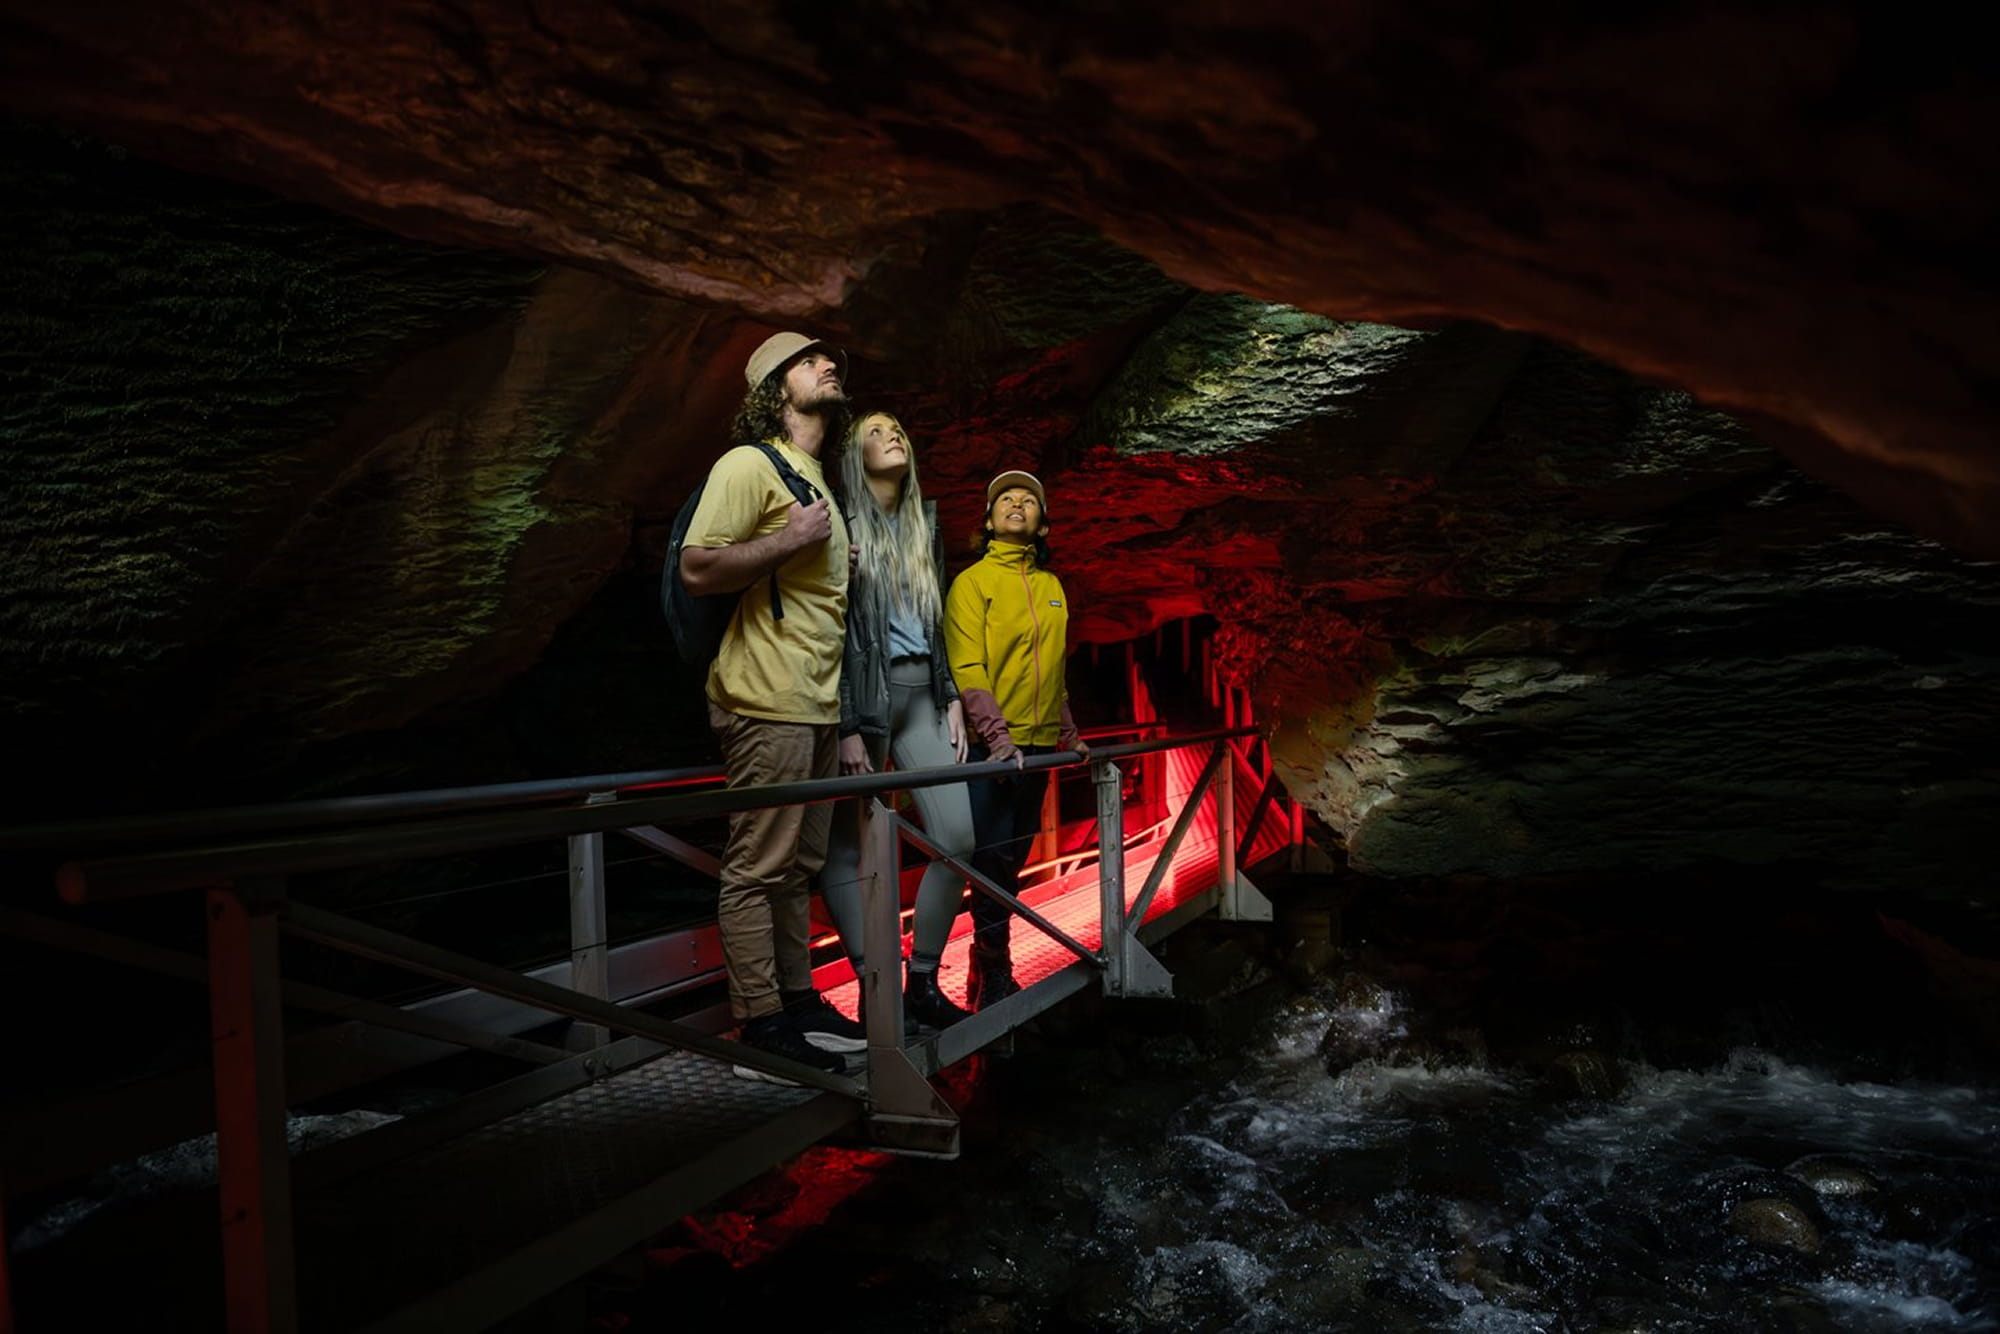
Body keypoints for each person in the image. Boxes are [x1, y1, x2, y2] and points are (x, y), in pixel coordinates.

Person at [679, 330, 867, 1080]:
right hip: (766, 697)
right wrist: (788, 539)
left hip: (815, 705)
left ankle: (799, 1003)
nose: (829, 364)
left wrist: (821, 551)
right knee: (758, 869)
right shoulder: (749, 465)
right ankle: (760, 1025)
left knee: (799, 867)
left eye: (830, 358)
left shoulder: (815, 479)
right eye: (809, 359)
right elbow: (698, 566)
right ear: (772, 387)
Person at [818, 412, 979, 1031]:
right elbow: (826, 630)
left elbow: (934, 626)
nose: (895, 436)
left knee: (957, 840)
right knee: (844, 849)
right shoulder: (839, 523)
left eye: (901, 430)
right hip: (865, 698)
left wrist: (950, 694)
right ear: (854, 453)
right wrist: (845, 722)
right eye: (877, 429)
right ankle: (873, 988)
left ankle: (923, 983)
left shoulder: (922, 525)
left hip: (920, 696)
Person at [943, 470, 1089, 1008]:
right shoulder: (972, 583)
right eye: (1006, 498)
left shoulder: (1052, 588)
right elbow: (968, 664)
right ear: (987, 520)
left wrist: (1068, 734)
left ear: (1042, 523)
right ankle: (994, 969)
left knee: (1012, 859)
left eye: (1029, 499)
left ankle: (985, 968)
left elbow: (1053, 670)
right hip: (993, 749)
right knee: (990, 861)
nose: (1017, 504)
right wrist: (997, 738)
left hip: (1041, 747)